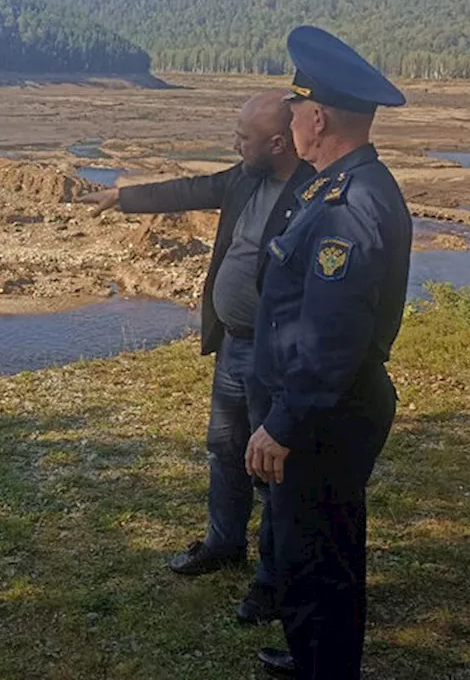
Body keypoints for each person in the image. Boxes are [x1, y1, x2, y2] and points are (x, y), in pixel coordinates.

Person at [79, 91, 314, 624]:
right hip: (234, 343)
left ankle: (272, 583)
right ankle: (223, 545)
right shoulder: (245, 177)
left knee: (271, 468)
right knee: (225, 448)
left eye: (244, 138)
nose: (235, 145)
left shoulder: (312, 192)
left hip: (274, 353)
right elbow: (193, 189)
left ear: (277, 142)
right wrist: (124, 197)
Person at [244, 26, 412, 679]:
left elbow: (331, 338)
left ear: (316, 117)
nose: (288, 119)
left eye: (293, 108)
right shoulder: (332, 185)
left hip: (323, 417)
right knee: (309, 546)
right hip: (321, 408)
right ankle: (310, 652)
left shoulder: (348, 204)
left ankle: (324, 664)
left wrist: (283, 423)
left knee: (321, 554)